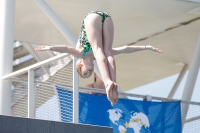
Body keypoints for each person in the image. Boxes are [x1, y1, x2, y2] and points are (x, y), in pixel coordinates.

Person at [35, 11, 163, 106]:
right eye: (89, 74)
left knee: (99, 50)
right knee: (108, 53)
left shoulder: (80, 53)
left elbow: (65, 48)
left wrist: (49, 47)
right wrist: (146, 47)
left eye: (86, 72)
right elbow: (125, 49)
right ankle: (113, 83)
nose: (90, 72)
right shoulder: (98, 58)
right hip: (106, 18)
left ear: (80, 64)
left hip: (91, 18)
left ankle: (108, 82)